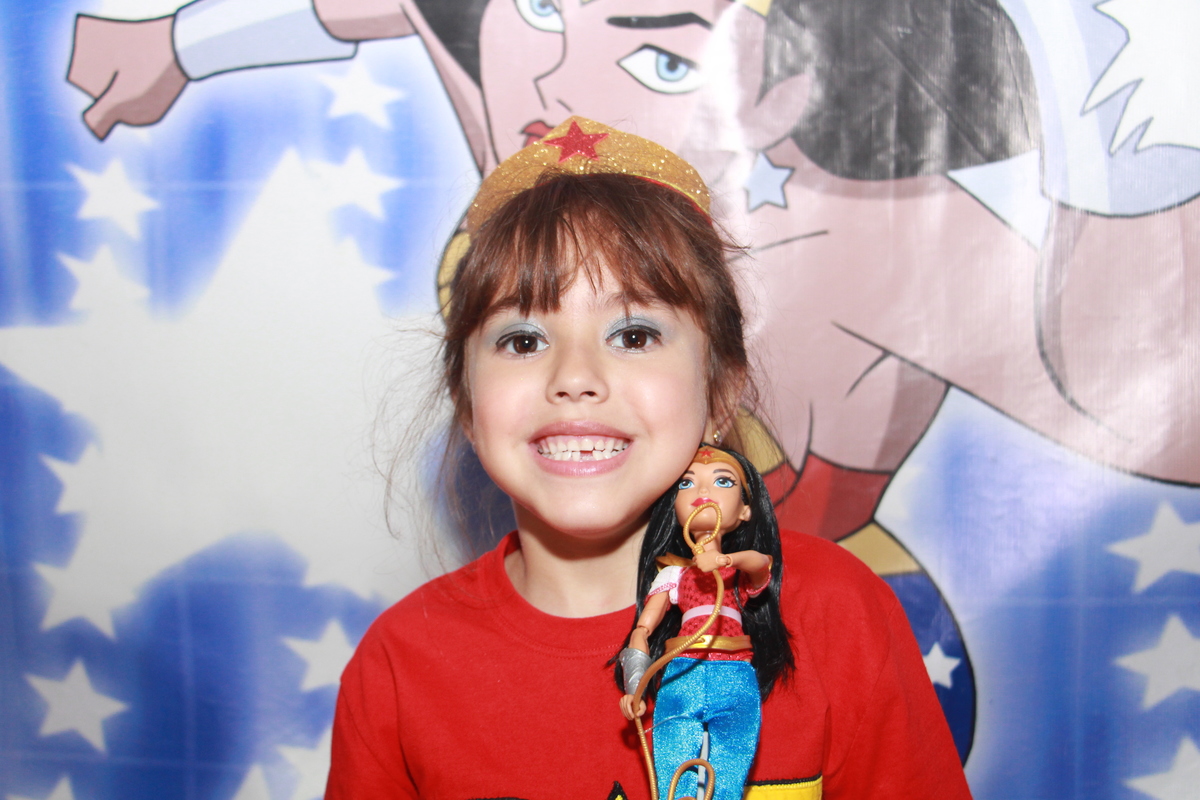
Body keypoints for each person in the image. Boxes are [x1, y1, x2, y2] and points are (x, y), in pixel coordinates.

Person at [326, 116, 969, 799]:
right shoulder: (397, 666)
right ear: (467, 405)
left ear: (720, 391)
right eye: (523, 340)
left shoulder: (837, 615)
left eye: (633, 335)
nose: (575, 377)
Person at [617, 445, 785, 800]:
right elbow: (642, 630)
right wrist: (635, 687)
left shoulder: (738, 569)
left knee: (729, 773)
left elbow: (761, 564)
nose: (703, 491)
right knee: (672, 768)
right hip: (682, 671)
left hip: (735, 672)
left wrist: (725, 559)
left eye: (723, 481)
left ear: (746, 510)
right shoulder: (674, 574)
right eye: (686, 483)